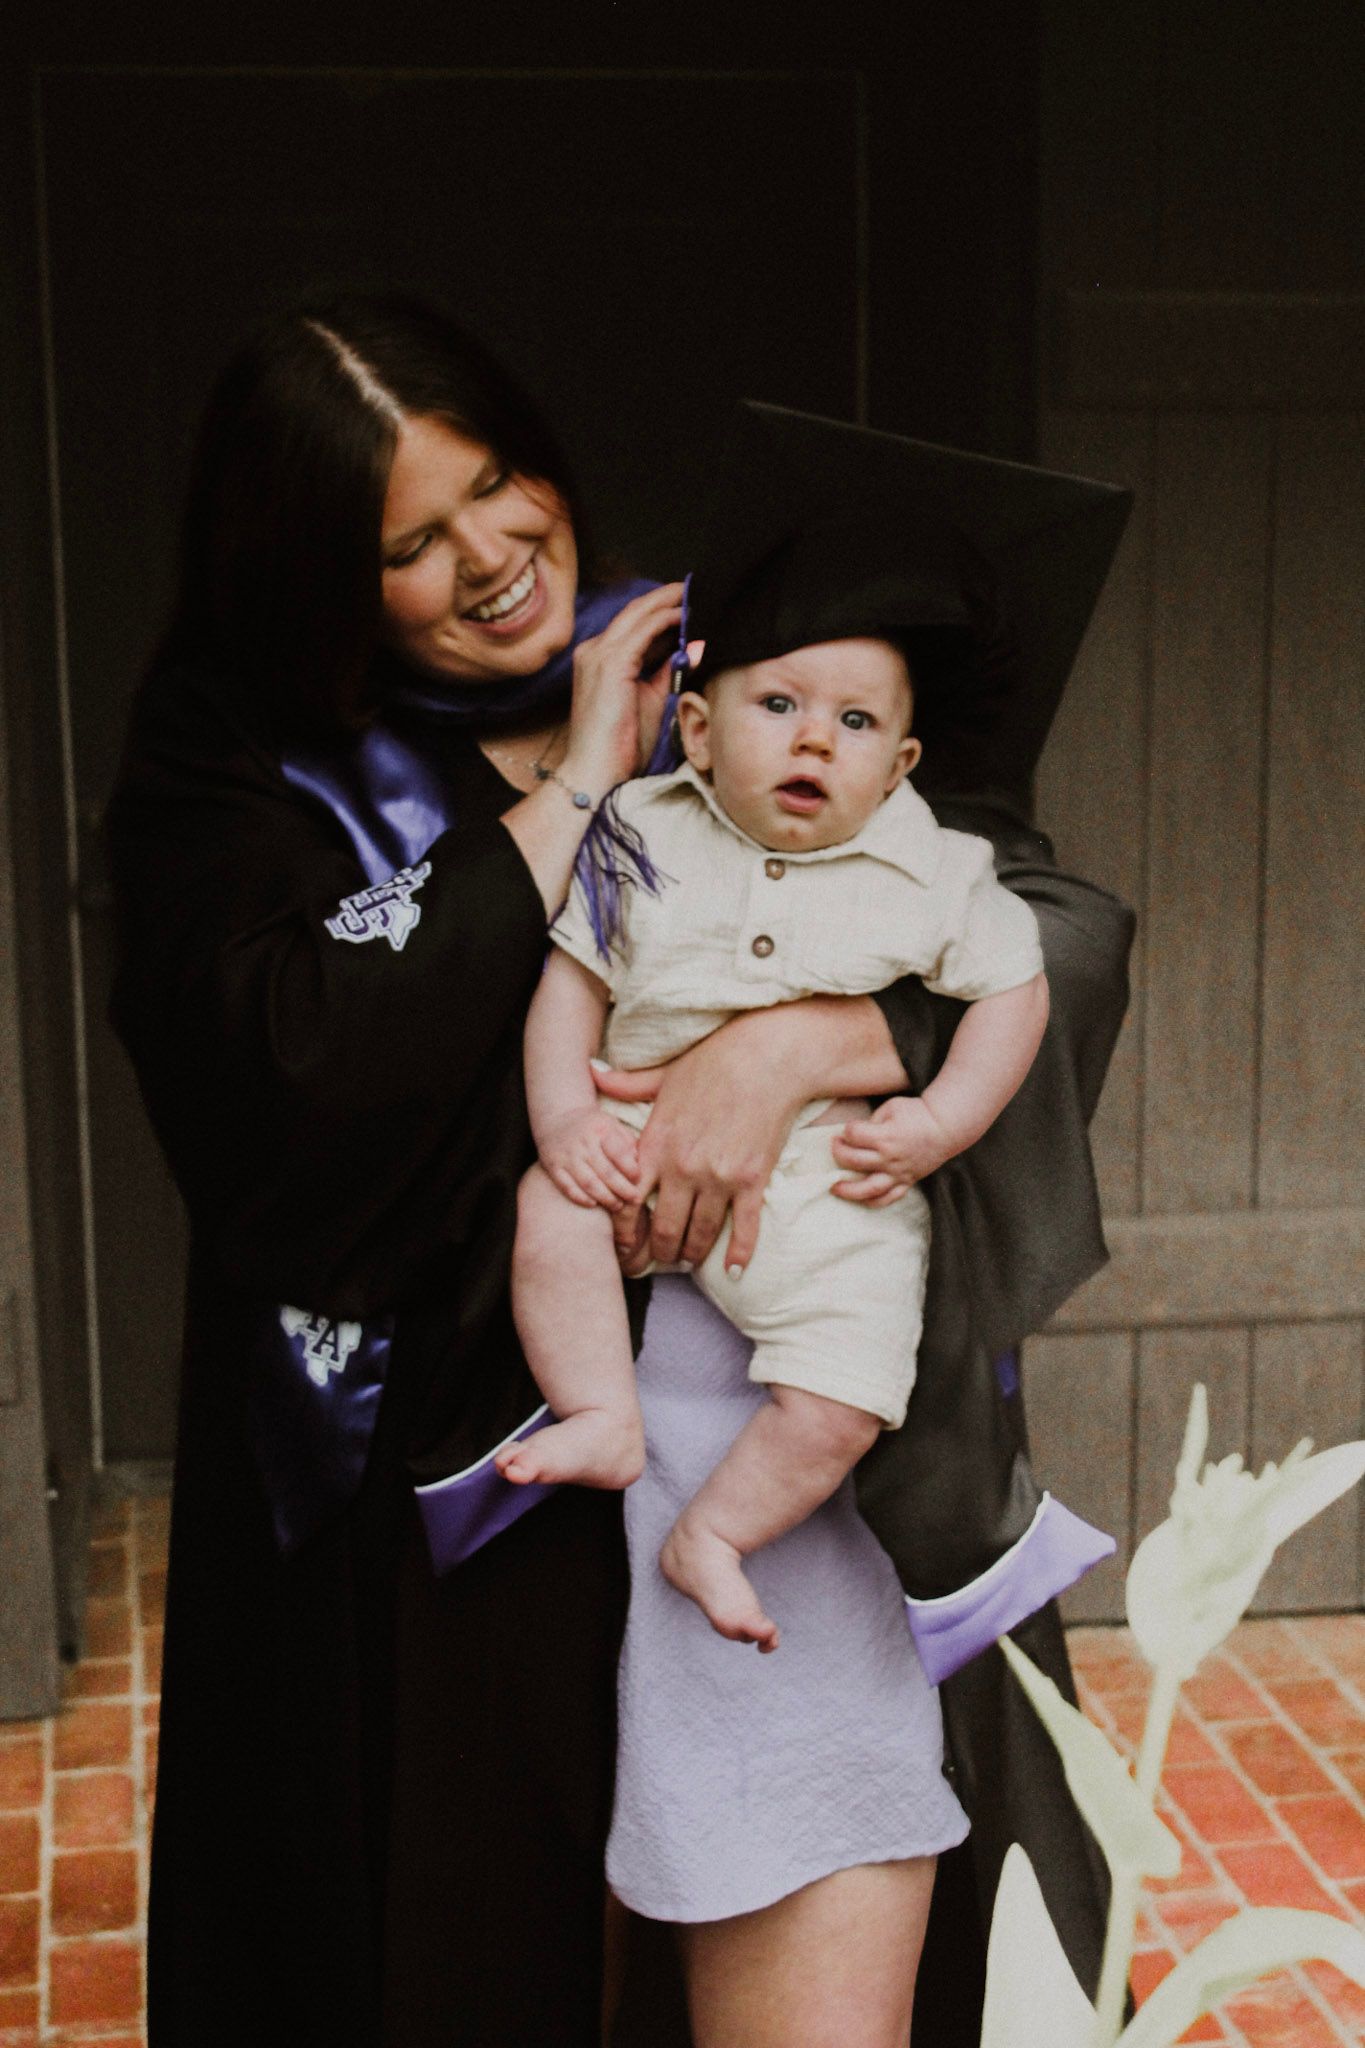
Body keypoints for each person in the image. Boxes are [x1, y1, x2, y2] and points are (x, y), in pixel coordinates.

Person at [107, 296, 1129, 2048]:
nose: (493, 555)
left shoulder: (730, 664)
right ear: (316, 576)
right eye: (409, 543)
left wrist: (795, 1046)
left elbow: (1038, 922)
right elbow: (294, 1071)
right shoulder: (237, 761)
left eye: (499, 483)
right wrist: (578, 778)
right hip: (453, 1502)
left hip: (755, 1451)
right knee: (478, 1962)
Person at [506, 622, 1048, 1656]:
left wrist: (942, 1120)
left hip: (827, 1178)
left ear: (899, 768)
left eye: (855, 723)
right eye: (780, 707)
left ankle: (713, 1532)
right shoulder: (642, 827)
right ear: (698, 733)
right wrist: (568, 1123)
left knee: (851, 1387)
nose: (815, 743)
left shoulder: (932, 867)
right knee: (549, 1205)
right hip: (634, 1124)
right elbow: (568, 984)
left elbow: (1014, 989)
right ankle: (600, 1411)